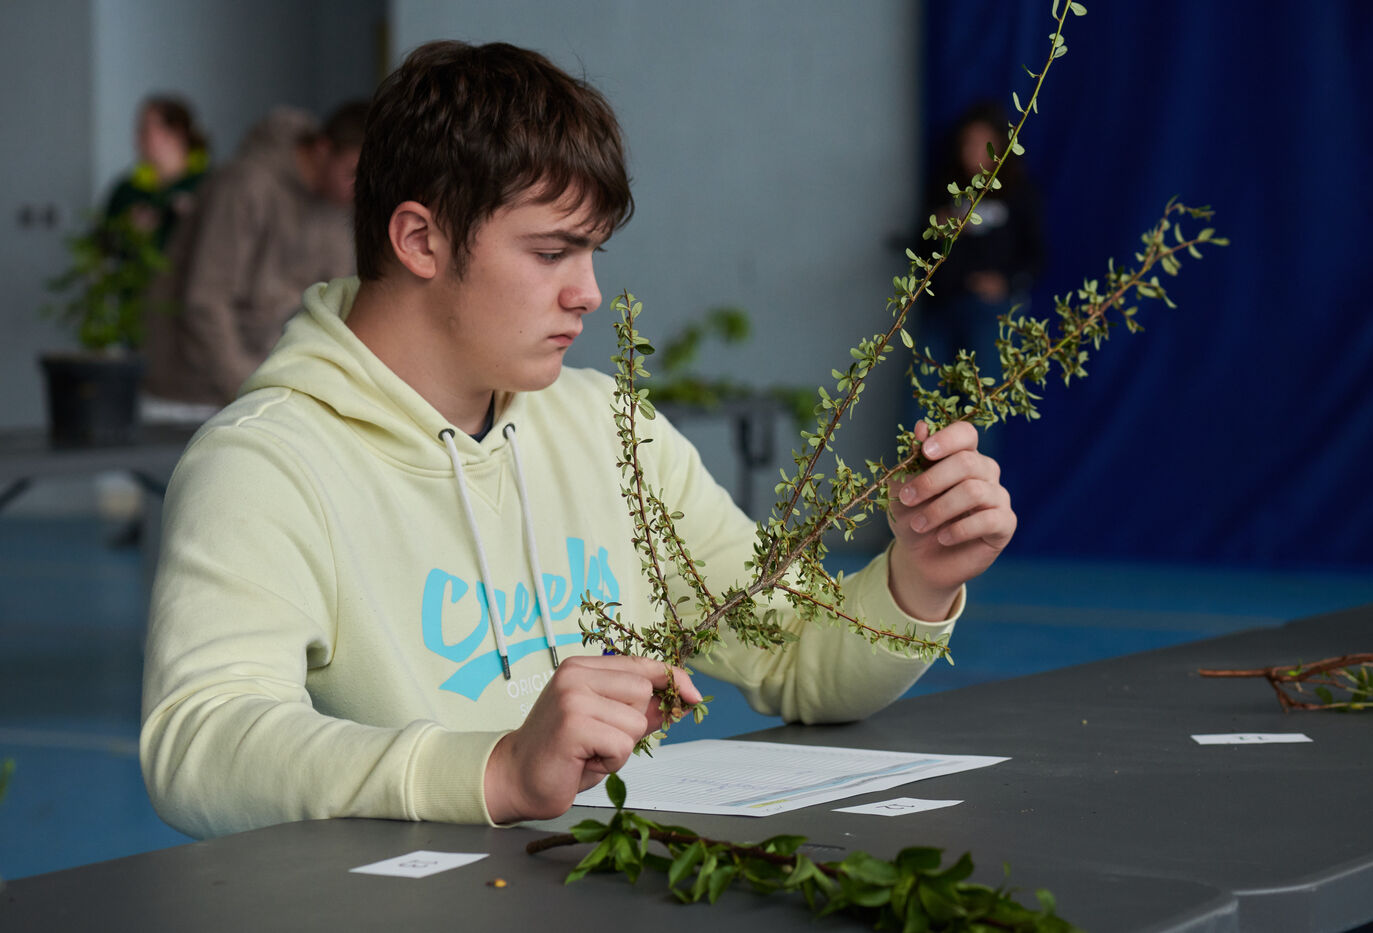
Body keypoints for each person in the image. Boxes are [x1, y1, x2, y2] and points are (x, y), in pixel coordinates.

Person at [140, 41, 1017, 838]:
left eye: (592, 252)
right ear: (419, 239)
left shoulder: (609, 426)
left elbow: (795, 650)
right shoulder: (266, 461)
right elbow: (200, 743)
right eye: (552, 253)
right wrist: (495, 769)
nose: (589, 293)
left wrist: (918, 576)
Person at [141, 100, 369, 420]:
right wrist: (252, 391)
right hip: (197, 398)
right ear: (322, 149)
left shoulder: (338, 207)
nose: (359, 189)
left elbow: (337, 307)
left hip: (272, 396)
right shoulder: (245, 184)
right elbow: (206, 302)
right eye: (352, 173)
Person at [908, 101, 1044, 447]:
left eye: (984, 144)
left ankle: (973, 474)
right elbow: (918, 250)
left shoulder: (1017, 192)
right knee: (923, 401)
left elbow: (1036, 255)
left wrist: (1005, 282)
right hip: (941, 308)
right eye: (967, 143)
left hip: (989, 314)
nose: (974, 152)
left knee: (982, 405)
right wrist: (939, 227)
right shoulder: (945, 189)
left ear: (1000, 147)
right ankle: (918, 467)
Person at [103, 95, 210, 250]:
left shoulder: (207, 184)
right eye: (139, 129)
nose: (139, 137)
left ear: (175, 133)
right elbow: (100, 245)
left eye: (147, 129)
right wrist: (127, 229)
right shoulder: (127, 190)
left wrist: (192, 218)